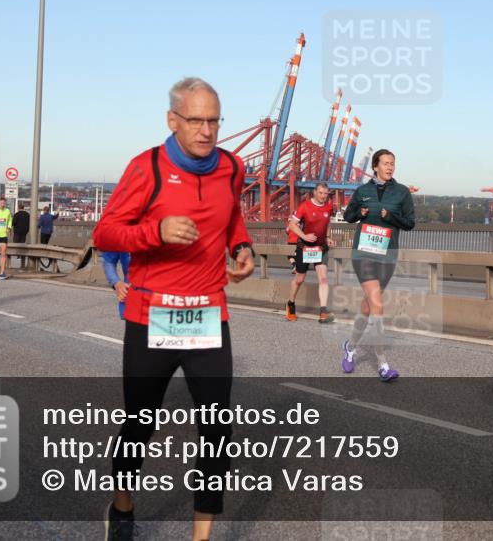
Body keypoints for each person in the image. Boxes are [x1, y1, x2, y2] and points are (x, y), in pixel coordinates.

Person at [92, 77, 255, 541]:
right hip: (151, 316)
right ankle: (122, 508)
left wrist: (240, 246)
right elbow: (105, 234)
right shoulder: (147, 168)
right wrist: (154, 233)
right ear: (173, 120)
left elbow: (232, 215)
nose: (207, 131)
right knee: (140, 426)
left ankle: (200, 537)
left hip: (207, 313)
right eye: (196, 120)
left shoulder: (232, 167)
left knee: (217, 429)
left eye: (214, 121)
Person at [340, 149, 415, 382]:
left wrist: (390, 216)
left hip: (387, 256)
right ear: (375, 166)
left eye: (393, 163)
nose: (390, 167)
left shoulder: (402, 193)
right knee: (377, 305)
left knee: (368, 305)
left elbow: (410, 223)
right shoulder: (362, 191)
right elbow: (348, 217)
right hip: (363, 254)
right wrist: (359, 212)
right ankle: (383, 364)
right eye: (385, 163)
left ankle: (350, 347)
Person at [285, 182, 334, 323]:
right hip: (305, 247)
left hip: (321, 247)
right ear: (314, 192)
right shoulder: (304, 206)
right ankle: (290, 304)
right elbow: (292, 225)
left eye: (326, 193)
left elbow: (327, 222)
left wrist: (328, 236)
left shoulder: (329, 206)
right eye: (321, 193)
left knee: (323, 278)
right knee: (300, 279)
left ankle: (323, 312)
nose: (323, 196)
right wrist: (304, 236)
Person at [102, 250, 130, 320]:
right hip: (132, 304)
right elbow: (109, 261)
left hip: (158, 302)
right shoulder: (122, 239)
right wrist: (116, 282)